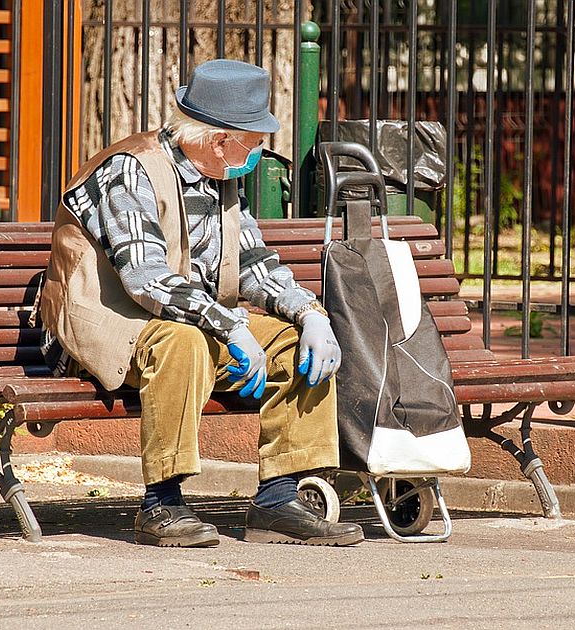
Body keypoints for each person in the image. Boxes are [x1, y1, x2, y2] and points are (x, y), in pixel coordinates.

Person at [37, 59, 363, 548]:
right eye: (254, 141)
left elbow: (254, 264)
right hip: (106, 324)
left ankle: (279, 500)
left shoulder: (221, 177)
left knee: (300, 345)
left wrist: (310, 313)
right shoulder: (130, 171)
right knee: (184, 341)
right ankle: (161, 504)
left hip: (195, 320)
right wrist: (230, 327)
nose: (259, 152)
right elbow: (145, 279)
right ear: (219, 140)